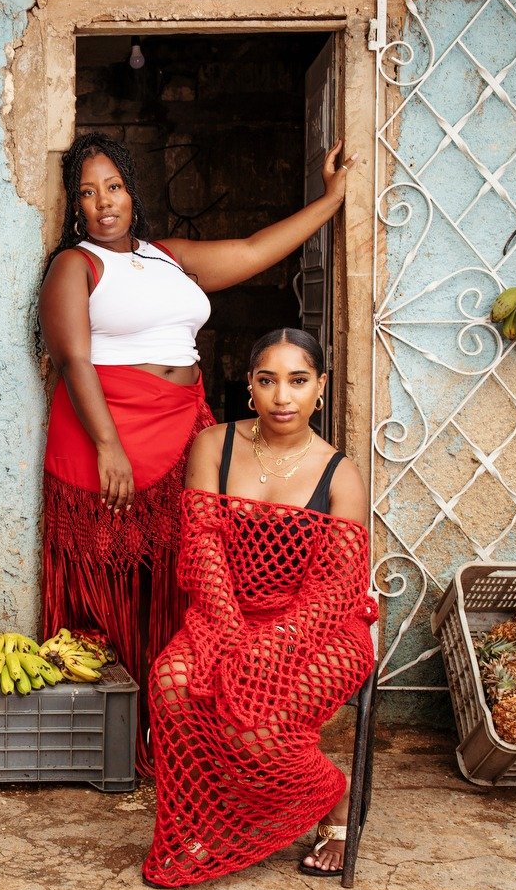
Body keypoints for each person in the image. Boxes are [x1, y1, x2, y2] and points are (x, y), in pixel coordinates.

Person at [38, 132, 357, 775]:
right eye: (88, 193)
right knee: (122, 589)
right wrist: (108, 446)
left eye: (115, 188)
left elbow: (250, 250)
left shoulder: (166, 256)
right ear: (75, 207)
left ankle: (186, 728)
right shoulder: (75, 265)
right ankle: (121, 741)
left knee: (185, 581)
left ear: (133, 193)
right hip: (111, 433)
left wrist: (333, 199)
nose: (104, 203)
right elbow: (74, 357)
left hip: (183, 425)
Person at [142, 328, 377, 888]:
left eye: (298, 381)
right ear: (250, 385)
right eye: (268, 381)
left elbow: (338, 588)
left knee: (257, 731)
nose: (282, 397)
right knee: (172, 685)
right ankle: (196, 828)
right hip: (225, 613)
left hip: (321, 630)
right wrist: (228, 634)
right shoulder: (213, 445)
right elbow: (201, 548)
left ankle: (334, 798)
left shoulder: (340, 472)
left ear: (320, 387)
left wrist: (270, 649)